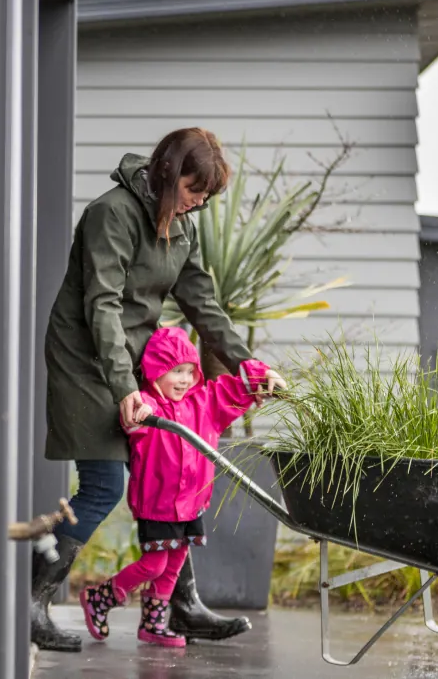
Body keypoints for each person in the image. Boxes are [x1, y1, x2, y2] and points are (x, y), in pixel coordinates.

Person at [32, 127, 288, 651]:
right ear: (170, 173)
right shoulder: (113, 214)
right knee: (103, 484)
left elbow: (204, 305)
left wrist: (250, 368)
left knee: (172, 473)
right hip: (85, 358)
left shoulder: (181, 226)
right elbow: (100, 302)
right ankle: (31, 603)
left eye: (207, 195)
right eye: (196, 190)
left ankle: (181, 605)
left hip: (134, 356)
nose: (200, 202)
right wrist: (125, 385)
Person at [79, 327, 273, 647]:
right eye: (174, 372)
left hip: (190, 502)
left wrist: (263, 378)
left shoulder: (204, 403)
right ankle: (101, 597)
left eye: (188, 372)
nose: (183, 380)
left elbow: (236, 389)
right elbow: (133, 418)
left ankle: (153, 623)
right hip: (158, 503)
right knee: (154, 564)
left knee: (174, 563)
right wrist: (140, 413)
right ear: (155, 372)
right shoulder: (147, 403)